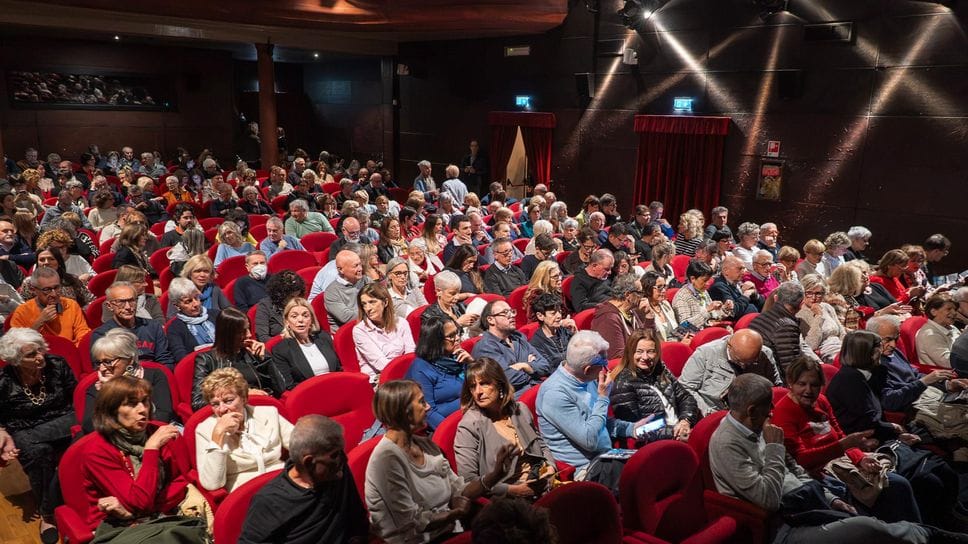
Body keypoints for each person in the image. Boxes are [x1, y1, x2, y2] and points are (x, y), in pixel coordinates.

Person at [709, 373, 953, 544]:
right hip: (784, 524)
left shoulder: (759, 425)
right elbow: (767, 500)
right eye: (767, 407)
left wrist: (831, 498)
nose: (772, 411)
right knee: (867, 529)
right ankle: (930, 536)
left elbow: (794, 468)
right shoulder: (727, 443)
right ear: (751, 410)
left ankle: (927, 534)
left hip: (810, 498)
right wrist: (774, 447)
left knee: (875, 515)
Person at [825, 330, 964, 529]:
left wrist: (896, 431)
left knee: (943, 470)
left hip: (881, 436)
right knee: (931, 480)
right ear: (868, 352)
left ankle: (950, 515)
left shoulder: (866, 375)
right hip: (866, 444)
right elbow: (869, 422)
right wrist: (895, 430)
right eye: (878, 347)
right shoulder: (850, 380)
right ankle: (932, 527)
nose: (883, 351)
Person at [771, 356, 928, 523]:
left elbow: (840, 435)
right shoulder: (784, 413)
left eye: (814, 385)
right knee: (895, 488)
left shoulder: (821, 401)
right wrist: (842, 447)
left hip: (842, 460)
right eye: (802, 384)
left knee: (904, 482)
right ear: (790, 383)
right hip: (816, 473)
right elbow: (801, 460)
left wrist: (860, 458)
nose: (809, 391)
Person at [75, 376, 207, 542]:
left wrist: (140, 510)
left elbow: (178, 481)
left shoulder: (157, 432)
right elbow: (140, 502)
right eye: (131, 404)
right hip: (118, 527)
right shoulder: (98, 450)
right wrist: (151, 450)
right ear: (111, 411)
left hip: (160, 516)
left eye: (144, 401)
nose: (142, 409)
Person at [365, 380, 482, 543]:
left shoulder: (426, 444)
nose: (428, 407)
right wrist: (455, 514)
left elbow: (459, 489)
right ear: (403, 411)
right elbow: (413, 522)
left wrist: (496, 474)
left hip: (449, 530)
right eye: (421, 402)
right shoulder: (386, 460)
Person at [536, 330, 652, 481]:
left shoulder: (585, 378)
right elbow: (590, 441)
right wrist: (603, 398)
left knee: (653, 459)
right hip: (586, 469)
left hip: (607, 455)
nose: (607, 369)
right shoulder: (554, 394)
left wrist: (631, 428)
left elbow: (599, 422)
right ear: (587, 369)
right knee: (645, 474)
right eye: (604, 363)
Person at [238, 414, 369, 544]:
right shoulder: (270, 501)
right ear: (309, 462)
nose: (344, 459)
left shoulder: (337, 471)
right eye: (334, 455)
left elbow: (357, 519)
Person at [0, 329, 76, 542]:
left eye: (40, 350)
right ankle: (48, 513)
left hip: (64, 419)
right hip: (26, 426)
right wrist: (2, 432)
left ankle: (81, 499)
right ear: (14, 359)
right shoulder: (4, 382)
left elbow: (76, 397)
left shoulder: (57, 365)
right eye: (31, 355)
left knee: (29, 441)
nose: (40, 357)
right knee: (38, 452)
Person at [454, 358, 557, 500]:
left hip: (540, 482)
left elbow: (541, 445)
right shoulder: (469, 426)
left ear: (500, 384)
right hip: (506, 499)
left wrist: (551, 467)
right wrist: (514, 490)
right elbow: (469, 482)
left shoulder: (520, 410)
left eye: (484, 384)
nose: (478, 392)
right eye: (473, 386)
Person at [194, 368, 293, 492]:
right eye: (215, 404)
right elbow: (212, 484)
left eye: (228, 401)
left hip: (282, 482)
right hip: (245, 492)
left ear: (244, 398)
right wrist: (218, 436)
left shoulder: (268, 413)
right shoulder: (205, 429)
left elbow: (301, 446)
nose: (222, 409)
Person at [609, 329, 700, 444]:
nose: (645, 357)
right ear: (630, 353)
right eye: (639, 351)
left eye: (650, 351)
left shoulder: (660, 369)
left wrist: (685, 421)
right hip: (658, 442)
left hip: (681, 430)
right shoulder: (623, 383)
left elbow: (686, 398)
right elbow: (636, 428)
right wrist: (674, 433)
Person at [83, 329, 175, 433]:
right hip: (114, 440)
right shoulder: (96, 388)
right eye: (99, 363)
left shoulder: (154, 376)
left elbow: (163, 415)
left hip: (153, 433)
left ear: (129, 360)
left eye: (108, 361)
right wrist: (109, 392)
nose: (102, 368)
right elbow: (89, 425)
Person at [191, 307, 282, 410]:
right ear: (228, 334)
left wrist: (265, 359)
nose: (249, 334)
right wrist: (243, 394)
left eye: (248, 328)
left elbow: (280, 388)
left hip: (263, 407)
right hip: (230, 413)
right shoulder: (207, 359)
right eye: (242, 332)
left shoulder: (253, 352)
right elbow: (197, 403)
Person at [679, 329, 782, 415]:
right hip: (715, 411)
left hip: (753, 414)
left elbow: (775, 387)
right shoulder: (705, 354)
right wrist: (708, 412)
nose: (744, 365)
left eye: (751, 362)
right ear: (729, 346)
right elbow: (686, 387)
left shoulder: (765, 354)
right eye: (739, 361)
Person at [405, 317, 473, 430]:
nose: (457, 338)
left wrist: (472, 364)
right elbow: (428, 412)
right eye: (451, 336)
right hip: (447, 426)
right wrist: (453, 432)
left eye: (457, 333)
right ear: (436, 341)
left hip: (471, 414)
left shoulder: (457, 356)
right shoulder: (421, 369)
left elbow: (482, 385)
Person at [473, 300, 552, 395]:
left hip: (539, 389)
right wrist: (532, 369)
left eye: (512, 311)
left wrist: (524, 365)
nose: (512, 315)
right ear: (491, 320)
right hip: (516, 398)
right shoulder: (485, 347)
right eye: (505, 312)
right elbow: (507, 379)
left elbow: (545, 366)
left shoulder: (518, 338)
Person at [92, 282, 174, 368]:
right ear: (109, 306)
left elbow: (165, 360)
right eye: (121, 302)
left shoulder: (153, 326)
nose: (128, 307)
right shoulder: (102, 335)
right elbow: (102, 367)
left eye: (131, 301)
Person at [748, 281, 821, 376]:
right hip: (770, 380)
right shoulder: (787, 326)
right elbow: (790, 367)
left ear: (776, 298)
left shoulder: (760, 317)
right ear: (801, 304)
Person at [272, 298, 342, 391]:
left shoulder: (324, 338)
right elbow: (289, 386)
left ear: (311, 320)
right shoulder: (281, 350)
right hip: (309, 395)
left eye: (305, 316)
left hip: (336, 388)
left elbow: (338, 369)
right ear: (287, 321)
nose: (300, 320)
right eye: (294, 316)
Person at [9, 267, 91, 346]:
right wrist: (40, 322)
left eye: (56, 287)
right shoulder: (22, 311)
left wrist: (71, 351)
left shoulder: (71, 305)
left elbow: (83, 335)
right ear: (34, 290)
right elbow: (16, 345)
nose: (54, 294)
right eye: (47, 289)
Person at [353, 283, 416, 380]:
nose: (368, 308)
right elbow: (380, 363)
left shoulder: (401, 323)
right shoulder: (359, 331)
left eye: (372, 302)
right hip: (381, 378)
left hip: (406, 373)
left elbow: (411, 353)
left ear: (385, 302)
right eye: (364, 304)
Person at [591, 274, 652, 360]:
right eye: (640, 293)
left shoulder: (630, 311)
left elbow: (648, 339)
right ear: (628, 295)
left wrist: (649, 315)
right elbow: (617, 357)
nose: (643, 297)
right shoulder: (608, 319)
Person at [21, 246, 94, 308]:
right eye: (42, 260)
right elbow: (23, 307)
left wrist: (77, 314)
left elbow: (90, 300)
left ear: (59, 262)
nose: (46, 262)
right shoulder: (29, 283)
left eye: (51, 259)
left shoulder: (72, 280)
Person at [166, 277, 218, 363]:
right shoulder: (175, 328)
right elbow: (181, 358)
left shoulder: (216, 315)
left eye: (196, 298)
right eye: (188, 301)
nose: (196, 304)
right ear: (177, 306)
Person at [798, 274, 846, 362]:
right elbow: (812, 344)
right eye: (809, 293)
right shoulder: (800, 314)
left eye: (818, 293)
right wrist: (818, 316)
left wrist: (847, 346)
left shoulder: (827, 307)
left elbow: (841, 331)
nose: (814, 298)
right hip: (825, 354)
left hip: (841, 347)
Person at [672, 259, 727, 329]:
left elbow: (713, 315)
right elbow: (685, 326)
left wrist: (724, 309)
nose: (707, 284)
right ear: (693, 279)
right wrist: (707, 310)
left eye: (709, 280)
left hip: (708, 329)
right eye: (705, 280)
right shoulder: (682, 297)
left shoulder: (702, 290)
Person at [422, 271, 479, 337]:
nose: (457, 297)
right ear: (438, 291)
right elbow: (433, 339)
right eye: (452, 293)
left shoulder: (460, 307)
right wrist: (458, 324)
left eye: (458, 293)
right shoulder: (429, 315)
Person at [254, 270, 306, 342]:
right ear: (280, 295)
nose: (295, 300)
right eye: (291, 296)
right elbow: (262, 337)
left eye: (298, 296)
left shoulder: (301, 302)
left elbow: (313, 328)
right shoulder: (265, 306)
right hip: (280, 347)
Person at [324, 249, 368, 333]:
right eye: (355, 266)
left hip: (369, 326)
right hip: (348, 333)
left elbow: (381, 297)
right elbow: (347, 317)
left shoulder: (365, 280)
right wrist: (375, 308)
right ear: (341, 270)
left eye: (360, 264)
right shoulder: (332, 292)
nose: (360, 269)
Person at [530, 293, 576, 368]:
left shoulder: (564, 330)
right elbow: (548, 369)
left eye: (560, 311)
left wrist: (575, 333)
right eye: (553, 313)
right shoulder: (536, 343)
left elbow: (581, 351)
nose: (559, 316)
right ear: (540, 316)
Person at [916, 295, 960, 368]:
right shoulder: (930, 335)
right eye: (949, 309)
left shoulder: (951, 327)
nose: (954, 313)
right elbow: (949, 362)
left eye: (955, 309)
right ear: (933, 312)